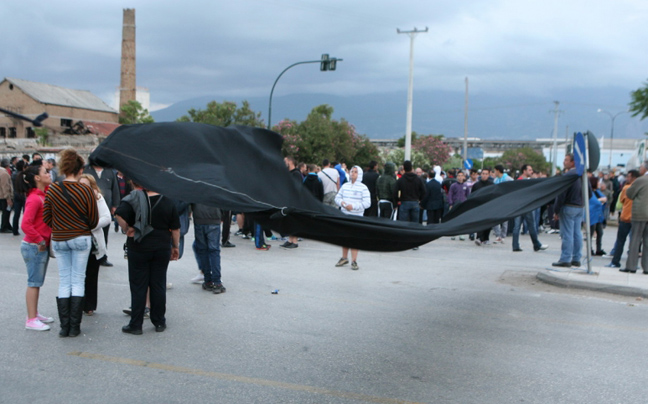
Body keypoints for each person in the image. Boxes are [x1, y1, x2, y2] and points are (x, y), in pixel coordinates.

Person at [43, 149, 99, 337]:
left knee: (64, 280)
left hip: (59, 238)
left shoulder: (53, 189)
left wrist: (60, 225)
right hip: (81, 237)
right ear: (80, 169)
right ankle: (74, 327)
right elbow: (93, 219)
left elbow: (46, 217)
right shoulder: (85, 190)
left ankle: (64, 326)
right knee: (78, 279)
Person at [115, 183, 180, 335]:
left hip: (139, 246)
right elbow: (175, 228)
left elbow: (118, 214)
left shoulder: (134, 198)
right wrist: (175, 246)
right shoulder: (168, 201)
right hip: (161, 246)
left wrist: (127, 228)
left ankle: (136, 324)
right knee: (158, 284)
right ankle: (159, 321)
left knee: (138, 285)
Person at [18, 164, 54, 331]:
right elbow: (25, 224)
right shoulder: (34, 198)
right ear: (37, 178)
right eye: (45, 172)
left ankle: (34, 314)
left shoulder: (42, 195)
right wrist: (40, 241)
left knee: (37, 282)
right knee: (33, 282)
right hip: (34, 246)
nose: (49, 174)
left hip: (39, 245)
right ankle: (31, 319)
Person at [78, 174, 111, 316]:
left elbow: (107, 218)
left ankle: (89, 305)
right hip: (77, 240)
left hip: (93, 241)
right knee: (78, 274)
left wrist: (92, 226)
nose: (83, 188)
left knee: (91, 273)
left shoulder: (97, 198)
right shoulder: (73, 199)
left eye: (87, 185)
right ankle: (77, 304)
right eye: (81, 185)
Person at [552, 154, 589, 268]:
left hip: (568, 206)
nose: (564, 162)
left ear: (573, 162)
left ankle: (565, 259)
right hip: (580, 207)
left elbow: (561, 194)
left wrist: (556, 210)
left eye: (566, 160)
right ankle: (576, 258)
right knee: (577, 233)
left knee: (567, 234)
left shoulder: (568, 175)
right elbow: (590, 193)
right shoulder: (583, 175)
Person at [84, 163, 120, 267]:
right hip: (90, 208)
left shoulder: (109, 171)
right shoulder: (86, 169)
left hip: (106, 206)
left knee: (104, 232)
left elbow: (115, 188)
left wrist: (115, 205)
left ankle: (103, 256)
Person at [335, 166, 371, 270]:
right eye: (351, 171)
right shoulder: (345, 186)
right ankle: (344, 258)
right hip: (344, 215)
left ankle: (354, 261)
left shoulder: (363, 187)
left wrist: (354, 206)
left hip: (357, 217)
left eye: (355, 172)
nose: (353, 173)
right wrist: (342, 203)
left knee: (354, 239)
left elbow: (367, 203)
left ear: (359, 174)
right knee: (344, 237)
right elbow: (337, 197)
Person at [511, 164, 548, 252]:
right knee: (531, 226)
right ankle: (536, 244)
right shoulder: (524, 181)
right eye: (530, 170)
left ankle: (515, 245)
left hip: (518, 206)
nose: (531, 171)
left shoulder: (519, 180)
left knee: (517, 227)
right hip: (526, 206)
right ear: (524, 171)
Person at [606, 170, 638, 268]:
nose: (627, 178)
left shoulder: (626, 188)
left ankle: (615, 261)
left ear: (633, 177)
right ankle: (633, 263)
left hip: (625, 217)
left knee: (620, 241)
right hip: (636, 218)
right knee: (634, 243)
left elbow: (622, 200)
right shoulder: (642, 189)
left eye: (628, 176)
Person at [191, 203, 226, 294]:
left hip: (199, 218)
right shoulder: (217, 188)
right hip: (214, 217)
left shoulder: (195, 188)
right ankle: (217, 282)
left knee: (202, 250)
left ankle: (208, 280)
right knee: (214, 251)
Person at [621, 161, 648, 274]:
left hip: (640, 213)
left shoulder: (641, 180)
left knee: (635, 239)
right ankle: (646, 267)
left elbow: (630, 193)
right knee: (647, 240)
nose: (640, 168)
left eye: (641, 166)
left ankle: (631, 266)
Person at [396, 160, 426, 225]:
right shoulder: (418, 179)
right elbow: (424, 191)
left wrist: (398, 200)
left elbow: (395, 191)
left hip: (404, 202)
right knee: (415, 224)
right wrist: (420, 199)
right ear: (411, 168)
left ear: (404, 168)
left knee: (403, 224)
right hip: (415, 202)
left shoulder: (401, 180)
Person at [471, 168, 494, 245]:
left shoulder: (491, 185)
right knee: (479, 222)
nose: (484, 175)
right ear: (481, 174)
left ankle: (486, 238)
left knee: (488, 223)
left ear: (489, 175)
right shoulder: (476, 185)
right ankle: (479, 237)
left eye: (486, 174)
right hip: (479, 206)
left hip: (489, 206)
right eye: (483, 173)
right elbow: (472, 196)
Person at [588, 177, 607, 256]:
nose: (599, 184)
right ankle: (590, 249)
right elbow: (595, 201)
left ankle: (598, 249)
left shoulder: (597, 191)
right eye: (598, 182)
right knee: (591, 233)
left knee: (600, 232)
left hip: (599, 215)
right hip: (592, 215)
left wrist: (602, 200)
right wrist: (601, 200)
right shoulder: (590, 192)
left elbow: (605, 199)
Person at [11, 160, 27, 236]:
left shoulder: (13, 174)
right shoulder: (23, 175)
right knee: (25, 213)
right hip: (23, 194)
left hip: (16, 194)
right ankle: (26, 228)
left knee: (16, 213)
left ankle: (15, 229)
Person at [0, 159, 13, 233]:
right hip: (3, 196)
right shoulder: (4, 173)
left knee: (6, 211)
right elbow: (5, 186)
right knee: (6, 212)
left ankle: (7, 225)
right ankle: (4, 226)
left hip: (2, 195)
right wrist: (8, 198)